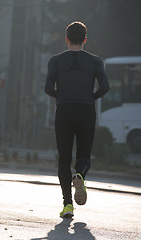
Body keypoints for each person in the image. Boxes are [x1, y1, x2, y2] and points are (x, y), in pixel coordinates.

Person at [44, 21, 109, 218]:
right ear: (85, 40)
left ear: (66, 39)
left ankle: (67, 205)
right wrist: (90, 98)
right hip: (86, 110)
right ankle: (80, 174)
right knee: (84, 156)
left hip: (64, 110)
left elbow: (48, 88)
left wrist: (62, 96)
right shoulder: (96, 61)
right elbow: (105, 87)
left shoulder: (55, 61)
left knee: (64, 159)